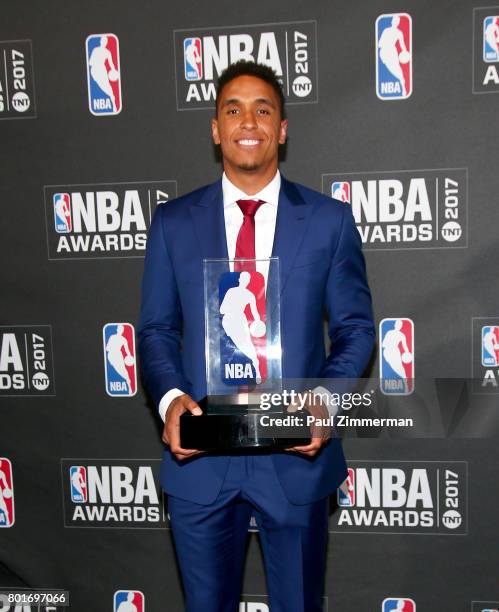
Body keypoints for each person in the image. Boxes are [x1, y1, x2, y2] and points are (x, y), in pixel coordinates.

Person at [138, 61, 375, 612]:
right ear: (216, 128)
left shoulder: (329, 221)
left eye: (263, 109)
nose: (249, 121)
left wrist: (324, 399)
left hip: (294, 457)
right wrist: (172, 401)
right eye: (233, 109)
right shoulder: (172, 224)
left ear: (282, 129)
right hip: (201, 458)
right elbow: (155, 328)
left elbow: (356, 329)